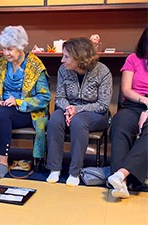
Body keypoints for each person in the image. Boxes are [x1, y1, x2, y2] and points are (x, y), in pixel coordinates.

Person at [0, 25, 51, 180]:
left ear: (20, 47)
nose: (6, 53)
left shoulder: (34, 66)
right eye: (4, 49)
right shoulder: (0, 65)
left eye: (10, 49)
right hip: (3, 107)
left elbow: (44, 97)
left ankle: (3, 163)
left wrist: (18, 101)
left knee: (1, 114)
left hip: (27, 111)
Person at [46, 37, 113, 186]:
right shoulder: (63, 70)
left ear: (79, 57)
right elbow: (60, 98)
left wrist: (77, 110)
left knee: (79, 121)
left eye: (66, 57)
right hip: (68, 109)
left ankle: (75, 171)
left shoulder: (103, 71)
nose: (62, 60)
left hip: (96, 114)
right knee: (55, 120)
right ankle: (54, 168)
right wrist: (69, 108)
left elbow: (102, 104)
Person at [108, 26, 148, 199]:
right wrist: (144, 101)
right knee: (120, 123)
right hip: (134, 103)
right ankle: (121, 185)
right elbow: (126, 89)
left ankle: (121, 174)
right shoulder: (133, 59)